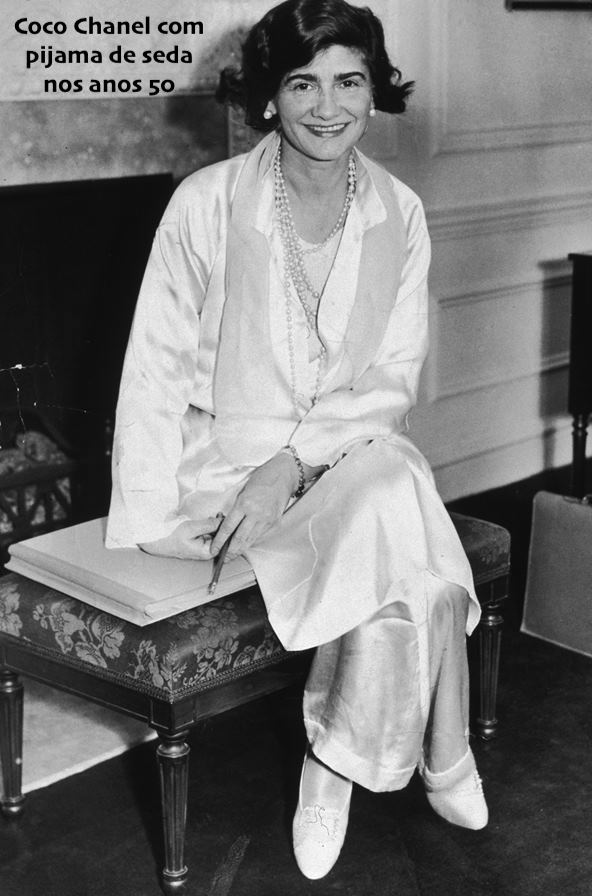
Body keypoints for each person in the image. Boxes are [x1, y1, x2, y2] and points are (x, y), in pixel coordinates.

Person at [106, 0, 488, 880]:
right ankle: (443, 750)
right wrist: (151, 520)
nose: (327, 105)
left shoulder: (402, 212)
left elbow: (393, 379)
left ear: (373, 91)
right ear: (269, 99)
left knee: (388, 476)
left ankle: (332, 765)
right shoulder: (206, 203)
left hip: (340, 461)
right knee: (409, 530)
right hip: (223, 479)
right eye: (302, 82)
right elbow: (154, 368)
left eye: (349, 80)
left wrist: (295, 461)